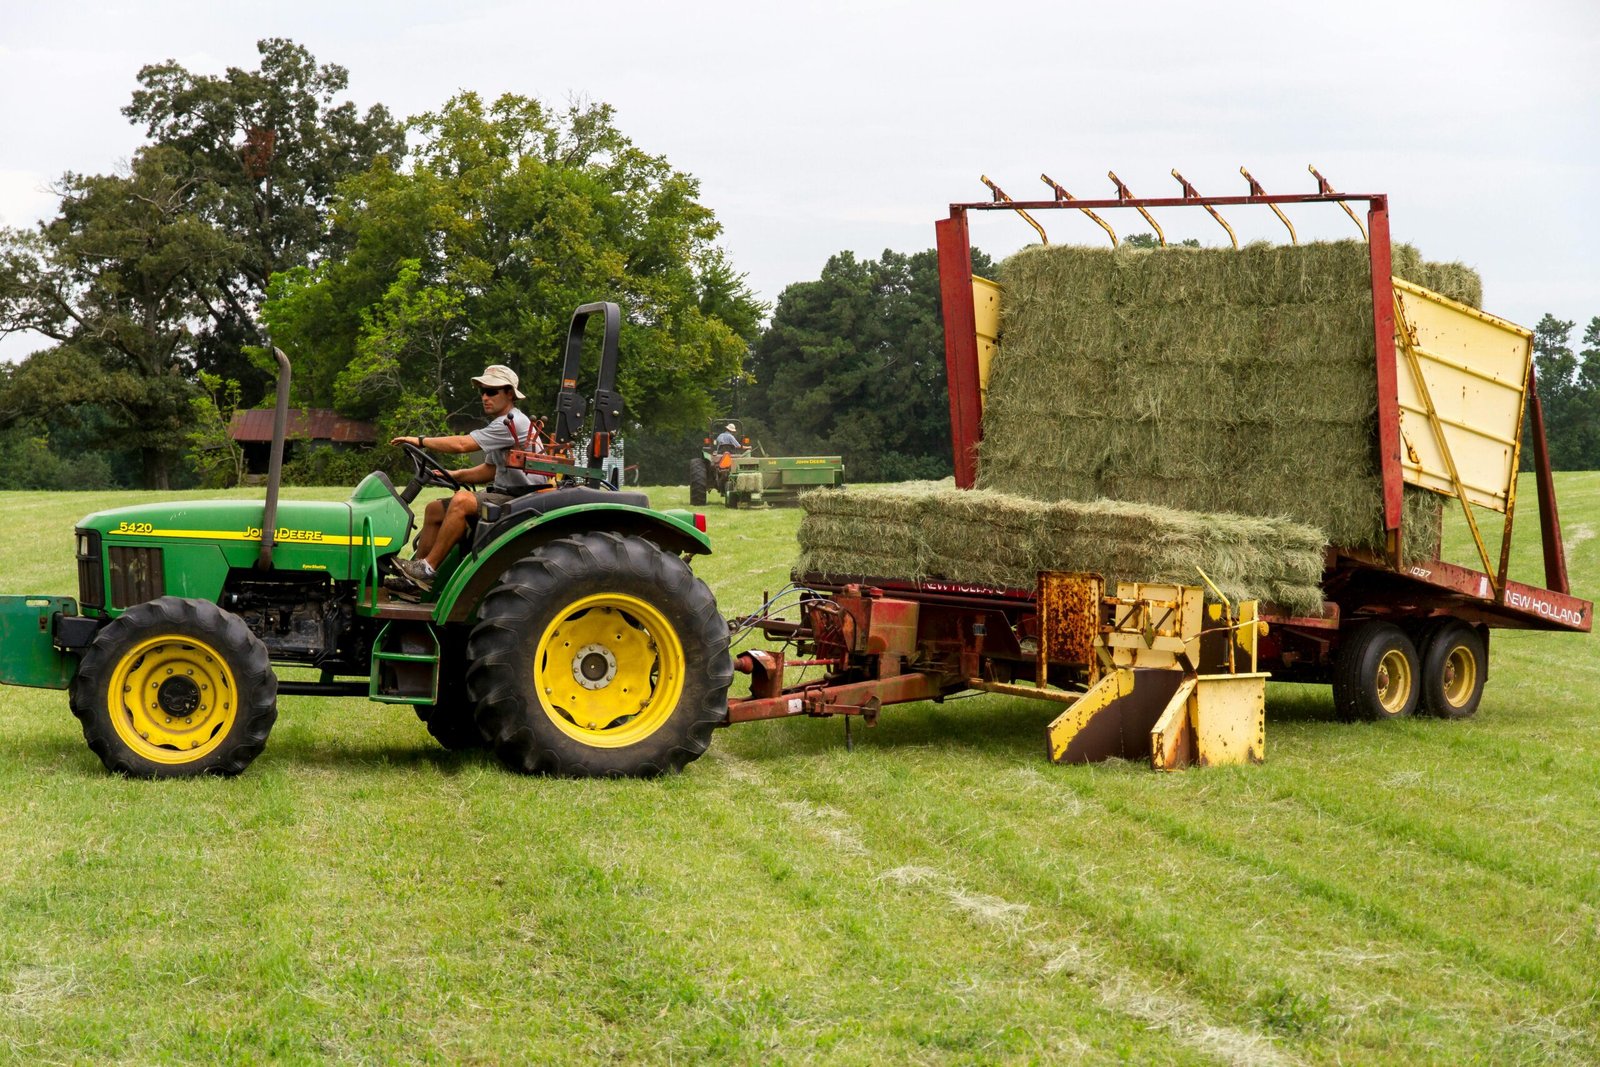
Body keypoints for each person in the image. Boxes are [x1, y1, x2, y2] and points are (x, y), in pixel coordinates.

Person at [388, 364, 542, 592]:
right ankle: (414, 579)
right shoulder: (502, 425)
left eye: (491, 392)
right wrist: (452, 475)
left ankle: (428, 568)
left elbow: (462, 445)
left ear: (509, 394)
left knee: (462, 500)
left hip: (522, 497)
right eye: (482, 392)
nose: (485, 397)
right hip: (504, 493)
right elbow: (489, 471)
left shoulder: (511, 422)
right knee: (434, 509)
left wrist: (419, 440)